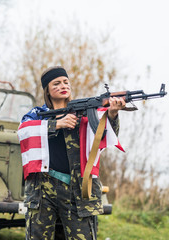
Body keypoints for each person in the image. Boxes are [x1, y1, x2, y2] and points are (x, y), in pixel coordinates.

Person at [17, 66, 126, 240]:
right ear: (47, 90)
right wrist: (56, 124)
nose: (63, 86)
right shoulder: (38, 115)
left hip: (79, 188)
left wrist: (112, 114)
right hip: (43, 189)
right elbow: (23, 131)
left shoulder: (84, 112)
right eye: (57, 83)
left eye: (66, 82)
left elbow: (105, 135)